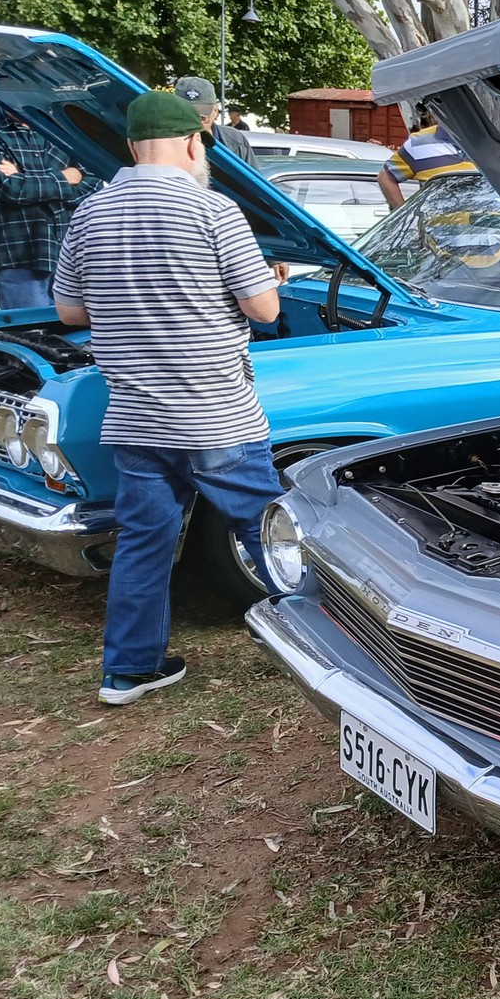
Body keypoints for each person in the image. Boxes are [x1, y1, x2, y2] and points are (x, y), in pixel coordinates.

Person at [52, 89, 287, 705]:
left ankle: (129, 671)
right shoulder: (215, 211)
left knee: (142, 540)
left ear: (131, 147)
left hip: (134, 416)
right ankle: (332, 644)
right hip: (216, 416)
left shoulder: (89, 214)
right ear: (194, 140)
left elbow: (70, 310)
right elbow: (263, 309)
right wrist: (267, 280)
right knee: (270, 529)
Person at [0, 103, 95, 308]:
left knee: (77, 338)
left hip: (70, 256)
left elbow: (93, 184)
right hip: (20, 257)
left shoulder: (61, 127)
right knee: (30, 335)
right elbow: (10, 189)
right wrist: (65, 177)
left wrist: (24, 178)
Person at [379, 108, 477, 206]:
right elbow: (385, 177)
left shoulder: (491, 139)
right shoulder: (418, 143)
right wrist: (403, 215)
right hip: (439, 221)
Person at [172, 76, 252, 160]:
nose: (193, 125)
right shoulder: (162, 143)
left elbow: (251, 172)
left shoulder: (236, 141)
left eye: (201, 117)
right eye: (185, 117)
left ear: (215, 111)